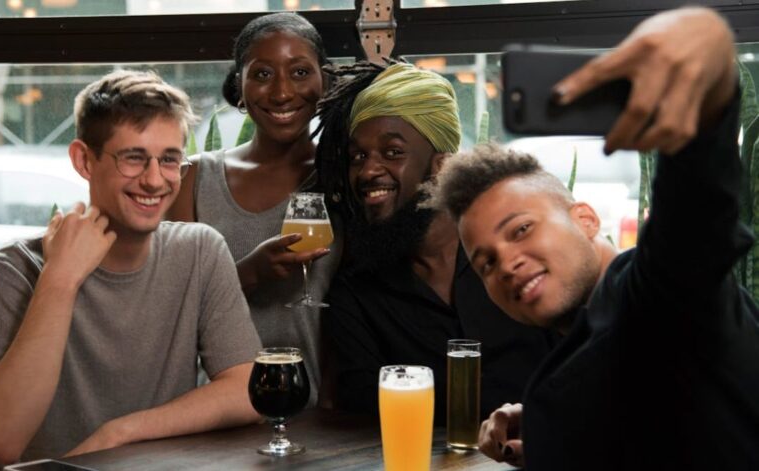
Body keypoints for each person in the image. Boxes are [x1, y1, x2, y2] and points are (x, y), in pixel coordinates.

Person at [428, 7, 759, 470]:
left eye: (521, 230)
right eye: (485, 263)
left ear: (584, 219)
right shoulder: (592, 339)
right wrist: (558, 429)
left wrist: (705, 57)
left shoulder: (652, 293)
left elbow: (695, 214)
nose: (505, 264)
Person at [0, 70, 262, 470]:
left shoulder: (200, 251)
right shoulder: (7, 272)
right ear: (84, 160)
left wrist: (119, 434)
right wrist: (61, 277)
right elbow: (2, 441)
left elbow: (248, 389)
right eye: (133, 158)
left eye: (169, 159)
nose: (155, 180)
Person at [314, 61, 557, 424]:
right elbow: (363, 407)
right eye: (358, 157)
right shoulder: (356, 295)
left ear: (441, 167)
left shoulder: (517, 260)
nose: (367, 171)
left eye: (392, 152)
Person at [166, 12, 341, 407]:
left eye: (300, 73)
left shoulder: (346, 180)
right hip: (211, 414)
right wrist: (246, 273)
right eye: (262, 75)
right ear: (239, 88)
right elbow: (168, 310)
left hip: (321, 417)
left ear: (324, 83)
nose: (281, 92)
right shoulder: (194, 178)